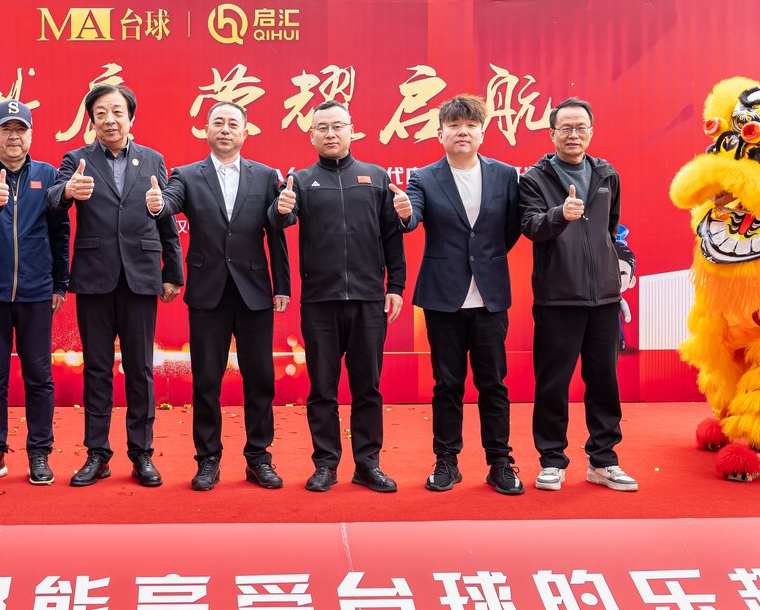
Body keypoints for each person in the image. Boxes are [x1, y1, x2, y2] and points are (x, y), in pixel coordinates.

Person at [46, 83, 183, 487]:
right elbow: (53, 199)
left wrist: (172, 272)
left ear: (131, 117)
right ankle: (98, 453)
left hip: (141, 275)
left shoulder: (153, 159)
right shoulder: (76, 159)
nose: (109, 120)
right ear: (91, 120)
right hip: (95, 278)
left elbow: (165, 218)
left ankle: (142, 454)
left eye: (117, 112)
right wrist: (68, 190)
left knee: (140, 368)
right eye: (101, 113)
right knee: (97, 368)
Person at [152, 100, 291, 491]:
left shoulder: (266, 176)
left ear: (245, 132)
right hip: (208, 291)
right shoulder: (186, 175)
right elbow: (169, 203)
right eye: (218, 122)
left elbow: (277, 231)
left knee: (260, 378)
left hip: (254, 291)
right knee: (207, 380)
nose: (225, 129)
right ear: (206, 130)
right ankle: (208, 459)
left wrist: (281, 285)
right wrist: (158, 204)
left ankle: (259, 458)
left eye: (233, 123)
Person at [271, 99, 406, 493]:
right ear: (311, 135)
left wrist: (395, 287)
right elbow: (280, 219)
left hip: (368, 301)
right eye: (322, 127)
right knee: (322, 389)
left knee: (368, 388)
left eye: (337, 126)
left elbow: (392, 236)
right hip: (320, 302)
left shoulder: (376, 177)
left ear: (351, 130)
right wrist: (280, 209)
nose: (331, 134)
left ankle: (368, 465)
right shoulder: (300, 180)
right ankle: (325, 465)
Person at [399, 95, 524, 495]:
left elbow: (511, 228)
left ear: (482, 133)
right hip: (443, 298)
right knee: (447, 384)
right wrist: (404, 212)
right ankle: (446, 462)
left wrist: (486, 258)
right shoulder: (424, 177)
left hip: (489, 297)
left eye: (470, 125)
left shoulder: (505, 175)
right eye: (454, 126)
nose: (462, 132)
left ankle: (500, 462)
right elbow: (413, 216)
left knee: (494, 384)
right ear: (440, 134)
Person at [518, 97, 638, 492]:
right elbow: (531, 227)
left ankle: (603, 461)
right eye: (565, 128)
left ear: (591, 132)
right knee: (552, 384)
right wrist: (560, 214)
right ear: (552, 133)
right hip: (557, 299)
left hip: (603, 299)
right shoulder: (534, 179)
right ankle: (552, 460)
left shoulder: (607, 174)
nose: (574, 134)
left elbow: (610, 230)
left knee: (604, 382)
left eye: (580, 127)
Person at [0, 100, 70, 486]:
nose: (13, 136)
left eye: (20, 129)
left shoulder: (47, 174)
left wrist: (60, 283)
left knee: (39, 375)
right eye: (6, 129)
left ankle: (39, 453)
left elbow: (59, 232)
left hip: (36, 293)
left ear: (31, 135)